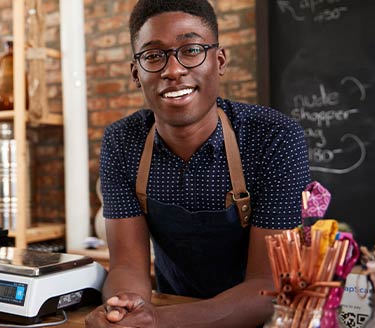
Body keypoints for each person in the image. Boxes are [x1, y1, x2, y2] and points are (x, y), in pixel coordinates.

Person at [85, 0, 311, 327]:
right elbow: (127, 267)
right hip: (168, 310)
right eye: (153, 56)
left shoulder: (274, 138)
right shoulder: (122, 143)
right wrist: (124, 309)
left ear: (219, 61)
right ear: (136, 73)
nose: (173, 70)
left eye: (191, 50)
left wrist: (158, 322)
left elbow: (269, 287)